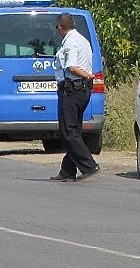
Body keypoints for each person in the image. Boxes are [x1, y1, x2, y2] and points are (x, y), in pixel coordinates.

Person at [50, 13, 100, 182]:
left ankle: (89, 165)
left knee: (68, 132)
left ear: (60, 27)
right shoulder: (82, 40)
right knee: (74, 130)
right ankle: (67, 170)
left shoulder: (70, 43)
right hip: (82, 90)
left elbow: (71, 67)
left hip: (71, 90)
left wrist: (87, 75)